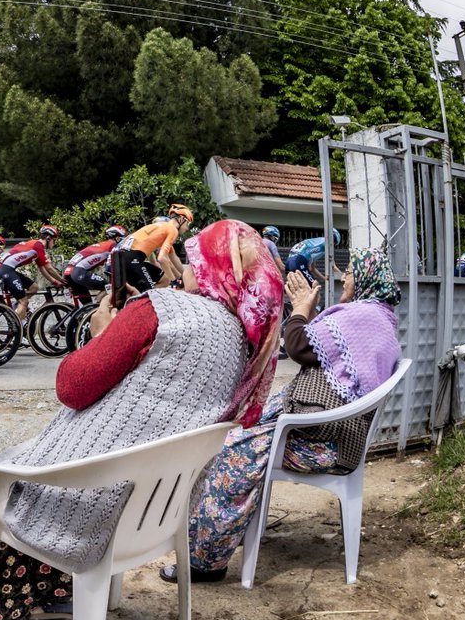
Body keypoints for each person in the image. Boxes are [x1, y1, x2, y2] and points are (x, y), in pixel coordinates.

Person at [0, 220, 282, 620]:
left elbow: (71, 389)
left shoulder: (161, 308)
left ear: (211, 267)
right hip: (155, 514)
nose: (185, 264)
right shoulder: (247, 340)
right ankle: (55, 594)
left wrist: (102, 334)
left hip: (93, 501)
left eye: (193, 257)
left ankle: (7, 610)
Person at [163, 247, 402, 584]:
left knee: (230, 447)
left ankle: (205, 561)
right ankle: (216, 534)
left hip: (321, 444)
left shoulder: (363, 316)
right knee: (232, 429)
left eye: (350, 273)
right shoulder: (379, 318)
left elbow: (300, 347)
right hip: (333, 435)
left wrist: (302, 311)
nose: (344, 278)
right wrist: (308, 312)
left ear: (366, 279)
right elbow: (325, 351)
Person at [110, 204, 193, 293]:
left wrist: (182, 277)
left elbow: (173, 257)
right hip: (131, 258)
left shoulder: (162, 227)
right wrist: (174, 280)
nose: (187, 228)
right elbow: (161, 258)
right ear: (181, 219)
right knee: (150, 292)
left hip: (122, 257)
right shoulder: (172, 230)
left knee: (164, 280)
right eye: (187, 223)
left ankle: (136, 298)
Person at [0, 225, 66, 323]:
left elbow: (43, 269)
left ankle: (17, 305)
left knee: (34, 287)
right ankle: (17, 330)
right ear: (48, 238)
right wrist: (62, 280)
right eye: (54, 240)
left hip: (7, 269)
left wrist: (55, 282)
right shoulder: (38, 246)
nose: (54, 243)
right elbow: (49, 268)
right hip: (6, 270)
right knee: (24, 301)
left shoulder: (34, 245)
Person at [62, 225, 126, 299]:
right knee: (109, 287)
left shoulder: (102, 245)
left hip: (69, 273)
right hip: (78, 272)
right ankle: (98, 306)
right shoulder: (113, 246)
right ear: (117, 237)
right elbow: (110, 265)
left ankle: (91, 309)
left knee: (87, 306)